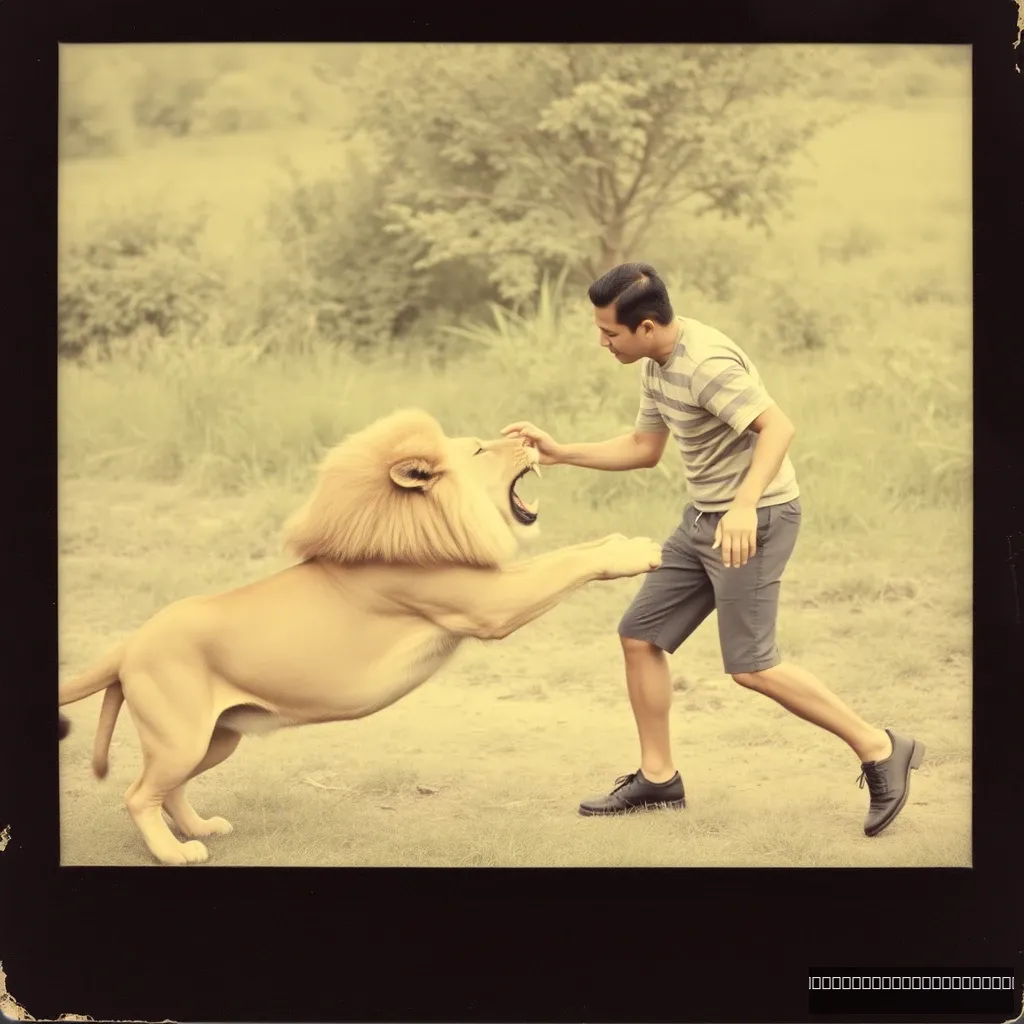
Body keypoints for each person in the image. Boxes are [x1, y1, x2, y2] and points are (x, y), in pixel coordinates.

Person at [501, 262, 924, 837]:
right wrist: (560, 452)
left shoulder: (706, 365)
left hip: (755, 520)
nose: (601, 341)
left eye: (609, 333)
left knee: (753, 666)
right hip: (702, 519)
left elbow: (778, 428)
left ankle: (880, 746)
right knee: (641, 636)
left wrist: (746, 504)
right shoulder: (657, 363)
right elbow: (644, 447)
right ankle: (658, 778)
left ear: (646, 326)